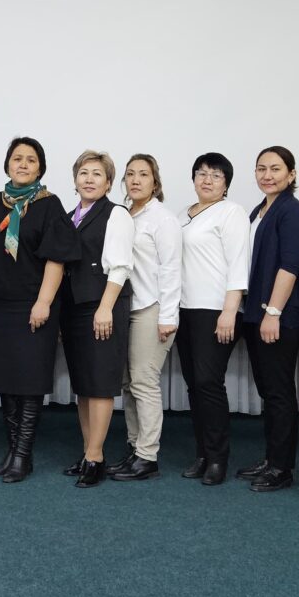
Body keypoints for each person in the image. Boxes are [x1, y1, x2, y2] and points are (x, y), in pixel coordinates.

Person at [0, 136, 80, 484]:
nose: (23, 164)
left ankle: (23, 454)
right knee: (5, 379)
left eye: (31, 160)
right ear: (7, 165)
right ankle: (13, 450)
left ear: (40, 168)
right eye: (17, 158)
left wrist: (44, 302)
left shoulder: (50, 205)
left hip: (33, 306)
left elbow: (56, 259)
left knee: (29, 380)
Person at [58, 151, 134, 487]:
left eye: (97, 174)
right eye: (84, 173)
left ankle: (95, 457)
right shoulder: (68, 216)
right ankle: (89, 451)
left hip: (103, 305)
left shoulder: (117, 214)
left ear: (108, 182)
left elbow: (120, 266)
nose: (89, 179)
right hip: (74, 307)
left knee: (100, 382)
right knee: (84, 384)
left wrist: (105, 308)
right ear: (75, 180)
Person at [176, 152, 250, 486]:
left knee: (209, 382)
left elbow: (238, 264)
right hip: (184, 309)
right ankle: (203, 454)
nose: (207, 180)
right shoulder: (183, 214)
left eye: (216, 175)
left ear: (226, 184)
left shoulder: (231, 213)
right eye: (201, 173)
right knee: (194, 384)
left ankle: (219, 458)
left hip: (216, 310)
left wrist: (229, 311)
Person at [238, 146, 299, 493]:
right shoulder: (260, 210)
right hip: (257, 313)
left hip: (279, 315)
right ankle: (271, 458)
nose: (267, 175)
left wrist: (273, 312)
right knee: (268, 390)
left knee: (279, 392)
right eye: (261, 168)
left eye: (276, 169)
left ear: (291, 174)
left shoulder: (292, 211)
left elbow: (290, 266)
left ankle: (282, 468)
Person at [111, 154, 180, 482]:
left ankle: (148, 456)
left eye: (143, 174)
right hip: (128, 307)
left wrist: (167, 316)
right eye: (130, 174)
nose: (136, 180)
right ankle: (135, 447)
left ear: (155, 182)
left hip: (152, 309)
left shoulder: (162, 219)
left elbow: (171, 268)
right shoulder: (124, 215)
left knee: (143, 381)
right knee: (129, 383)